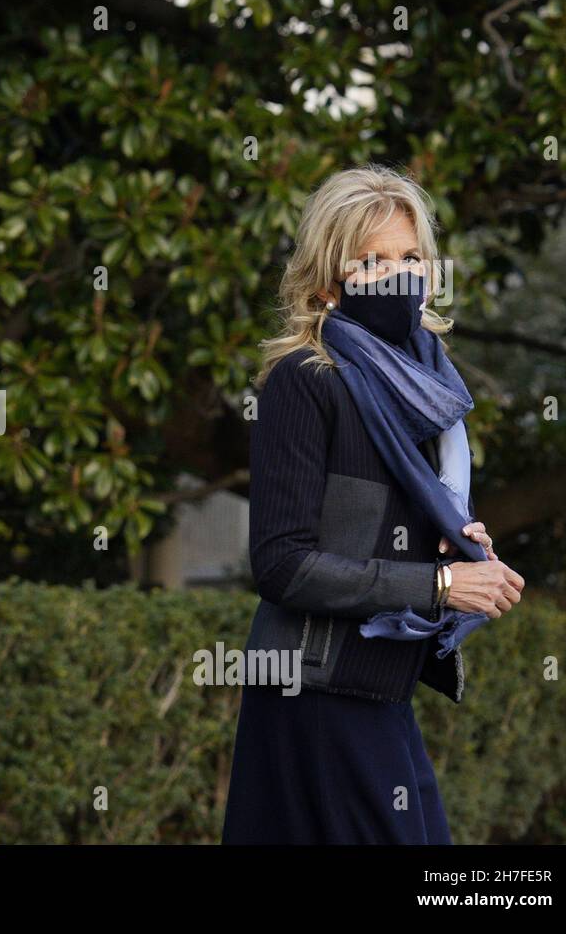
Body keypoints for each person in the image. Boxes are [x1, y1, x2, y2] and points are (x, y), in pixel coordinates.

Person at [222, 165, 525, 844]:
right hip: (317, 695)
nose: (398, 275)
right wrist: (443, 584)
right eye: (373, 260)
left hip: (380, 691)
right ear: (329, 279)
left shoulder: (425, 390)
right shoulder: (305, 381)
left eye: (411, 257)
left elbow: (386, 527)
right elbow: (283, 565)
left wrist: (453, 541)